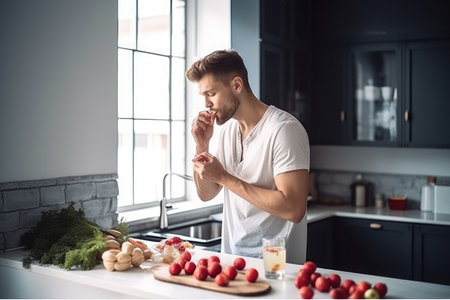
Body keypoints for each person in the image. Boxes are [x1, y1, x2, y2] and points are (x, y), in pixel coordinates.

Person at [187, 49, 310, 261]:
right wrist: (202, 146)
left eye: (211, 93)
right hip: (232, 262)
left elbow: (293, 209)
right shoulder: (227, 131)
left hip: (276, 267)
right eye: (204, 96)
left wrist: (224, 177)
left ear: (236, 85)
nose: (206, 104)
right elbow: (206, 194)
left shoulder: (284, 129)